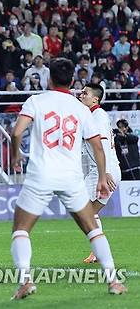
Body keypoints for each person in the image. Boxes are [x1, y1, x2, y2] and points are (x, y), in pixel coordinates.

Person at [9, 58, 127, 299]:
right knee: (92, 228)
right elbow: (97, 146)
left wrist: (14, 157)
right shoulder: (81, 109)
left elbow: (17, 131)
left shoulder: (36, 101)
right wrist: (103, 176)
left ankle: (24, 282)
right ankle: (113, 281)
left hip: (41, 173)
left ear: (48, 79)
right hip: (71, 176)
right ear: (72, 81)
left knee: (21, 229)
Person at [78, 83, 122, 264]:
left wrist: (105, 173)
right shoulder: (90, 116)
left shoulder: (98, 116)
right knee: (87, 213)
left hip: (103, 171)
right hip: (101, 170)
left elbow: (101, 145)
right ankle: (98, 251)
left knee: (85, 212)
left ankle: (99, 251)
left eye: (85, 93)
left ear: (95, 98)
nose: (81, 95)